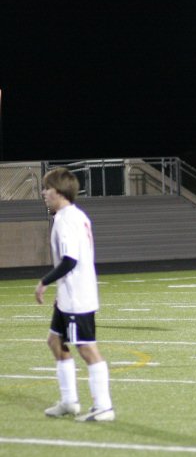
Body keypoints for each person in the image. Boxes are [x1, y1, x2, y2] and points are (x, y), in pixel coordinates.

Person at [35, 167, 115, 422]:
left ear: (59, 192)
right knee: (55, 341)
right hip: (70, 294)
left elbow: (70, 260)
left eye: (47, 189)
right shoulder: (77, 215)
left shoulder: (66, 219)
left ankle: (104, 406)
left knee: (86, 348)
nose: (44, 194)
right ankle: (69, 401)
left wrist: (44, 282)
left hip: (76, 296)